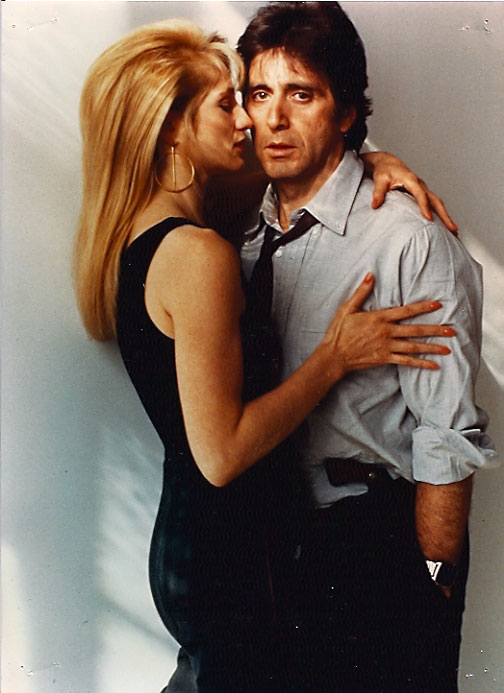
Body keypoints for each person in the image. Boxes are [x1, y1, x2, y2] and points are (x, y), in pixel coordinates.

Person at [74, 18, 462, 693]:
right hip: (231, 557)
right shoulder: (199, 253)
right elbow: (222, 454)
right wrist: (334, 357)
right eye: (232, 103)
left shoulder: (155, 233)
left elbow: (303, 160)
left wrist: (372, 161)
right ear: (171, 130)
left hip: (197, 547)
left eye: (254, 99)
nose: (251, 122)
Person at [227, 2, 495, 691]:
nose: (274, 118)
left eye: (302, 95)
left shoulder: (408, 240)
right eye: (259, 93)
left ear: (345, 111)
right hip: (266, 553)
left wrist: (434, 591)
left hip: (372, 549)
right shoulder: (242, 237)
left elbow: (447, 436)